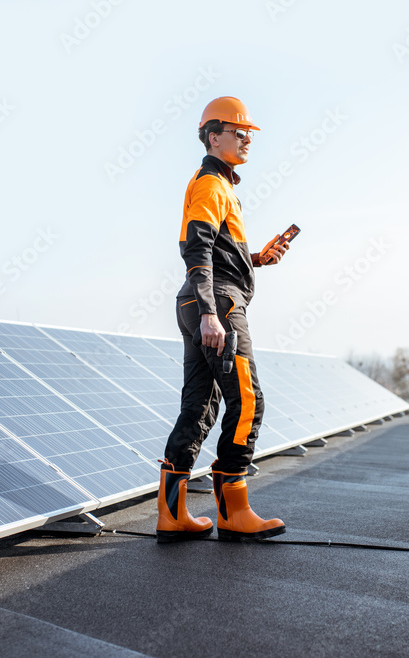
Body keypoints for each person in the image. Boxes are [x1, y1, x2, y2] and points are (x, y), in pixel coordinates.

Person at [156, 96, 290, 543]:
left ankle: (171, 515)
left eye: (249, 132)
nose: (247, 138)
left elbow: (216, 251)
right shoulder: (212, 184)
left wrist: (255, 260)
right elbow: (195, 248)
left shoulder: (220, 186)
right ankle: (234, 512)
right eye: (239, 132)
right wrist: (212, 313)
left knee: (198, 409)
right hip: (217, 306)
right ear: (214, 137)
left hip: (199, 303)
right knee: (248, 403)